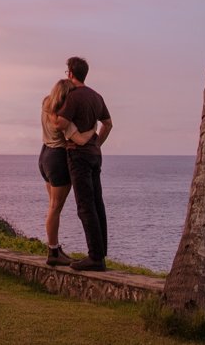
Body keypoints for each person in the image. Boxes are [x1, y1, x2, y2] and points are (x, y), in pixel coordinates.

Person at [54, 56, 113, 272]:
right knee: (97, 203)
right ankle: (100, 252)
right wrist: (97, 142)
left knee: (85, 206)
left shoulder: (74, 97)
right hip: (95, 155)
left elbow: (60, 122)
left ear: (70, 73)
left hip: (78, 155)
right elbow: (108, 124)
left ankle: (95, 257)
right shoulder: (96, 96)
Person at [39, 78, 96, 267]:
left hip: (45, 155)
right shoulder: (62, 119)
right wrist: (93, 130)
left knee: (53, 206)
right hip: (58, 158)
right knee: (55, 207)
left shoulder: (46, 104)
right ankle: (53, 252)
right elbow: (79, 140)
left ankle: (54, 247)